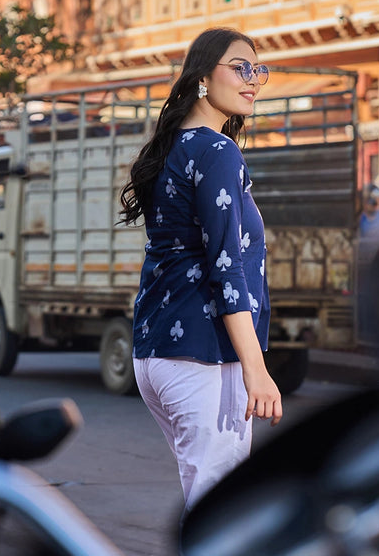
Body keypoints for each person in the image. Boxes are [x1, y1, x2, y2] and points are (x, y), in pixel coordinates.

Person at [120, 27, 282, 511]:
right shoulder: (217, 151)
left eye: (258, 70)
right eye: (240, 67)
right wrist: (257, 370)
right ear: (202, 78)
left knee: (208, 501)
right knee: (221, 514)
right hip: (203, 353)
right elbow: (227, 268)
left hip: (156, 351)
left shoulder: (173, 147)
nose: (252, 79)